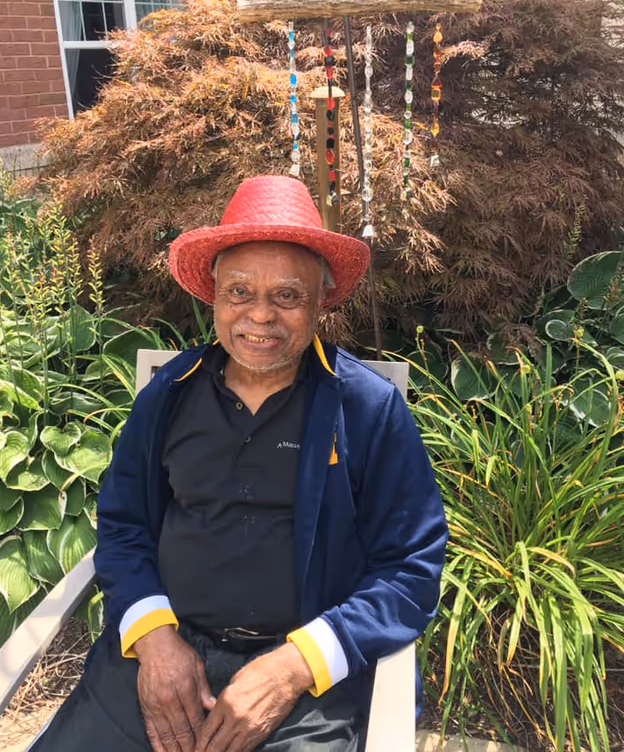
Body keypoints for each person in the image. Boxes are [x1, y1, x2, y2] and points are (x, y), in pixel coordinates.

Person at [33, 175, 448, 752]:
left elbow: (411, 568)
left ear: (320, 302)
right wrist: (153, 638)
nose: (260, 317)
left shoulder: (366, 408)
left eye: (287, 296)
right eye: (240, 293)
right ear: (215, 296)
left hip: (305, 684)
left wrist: (293, 667)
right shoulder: (169, 394)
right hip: (165, 658)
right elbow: (124, 524)